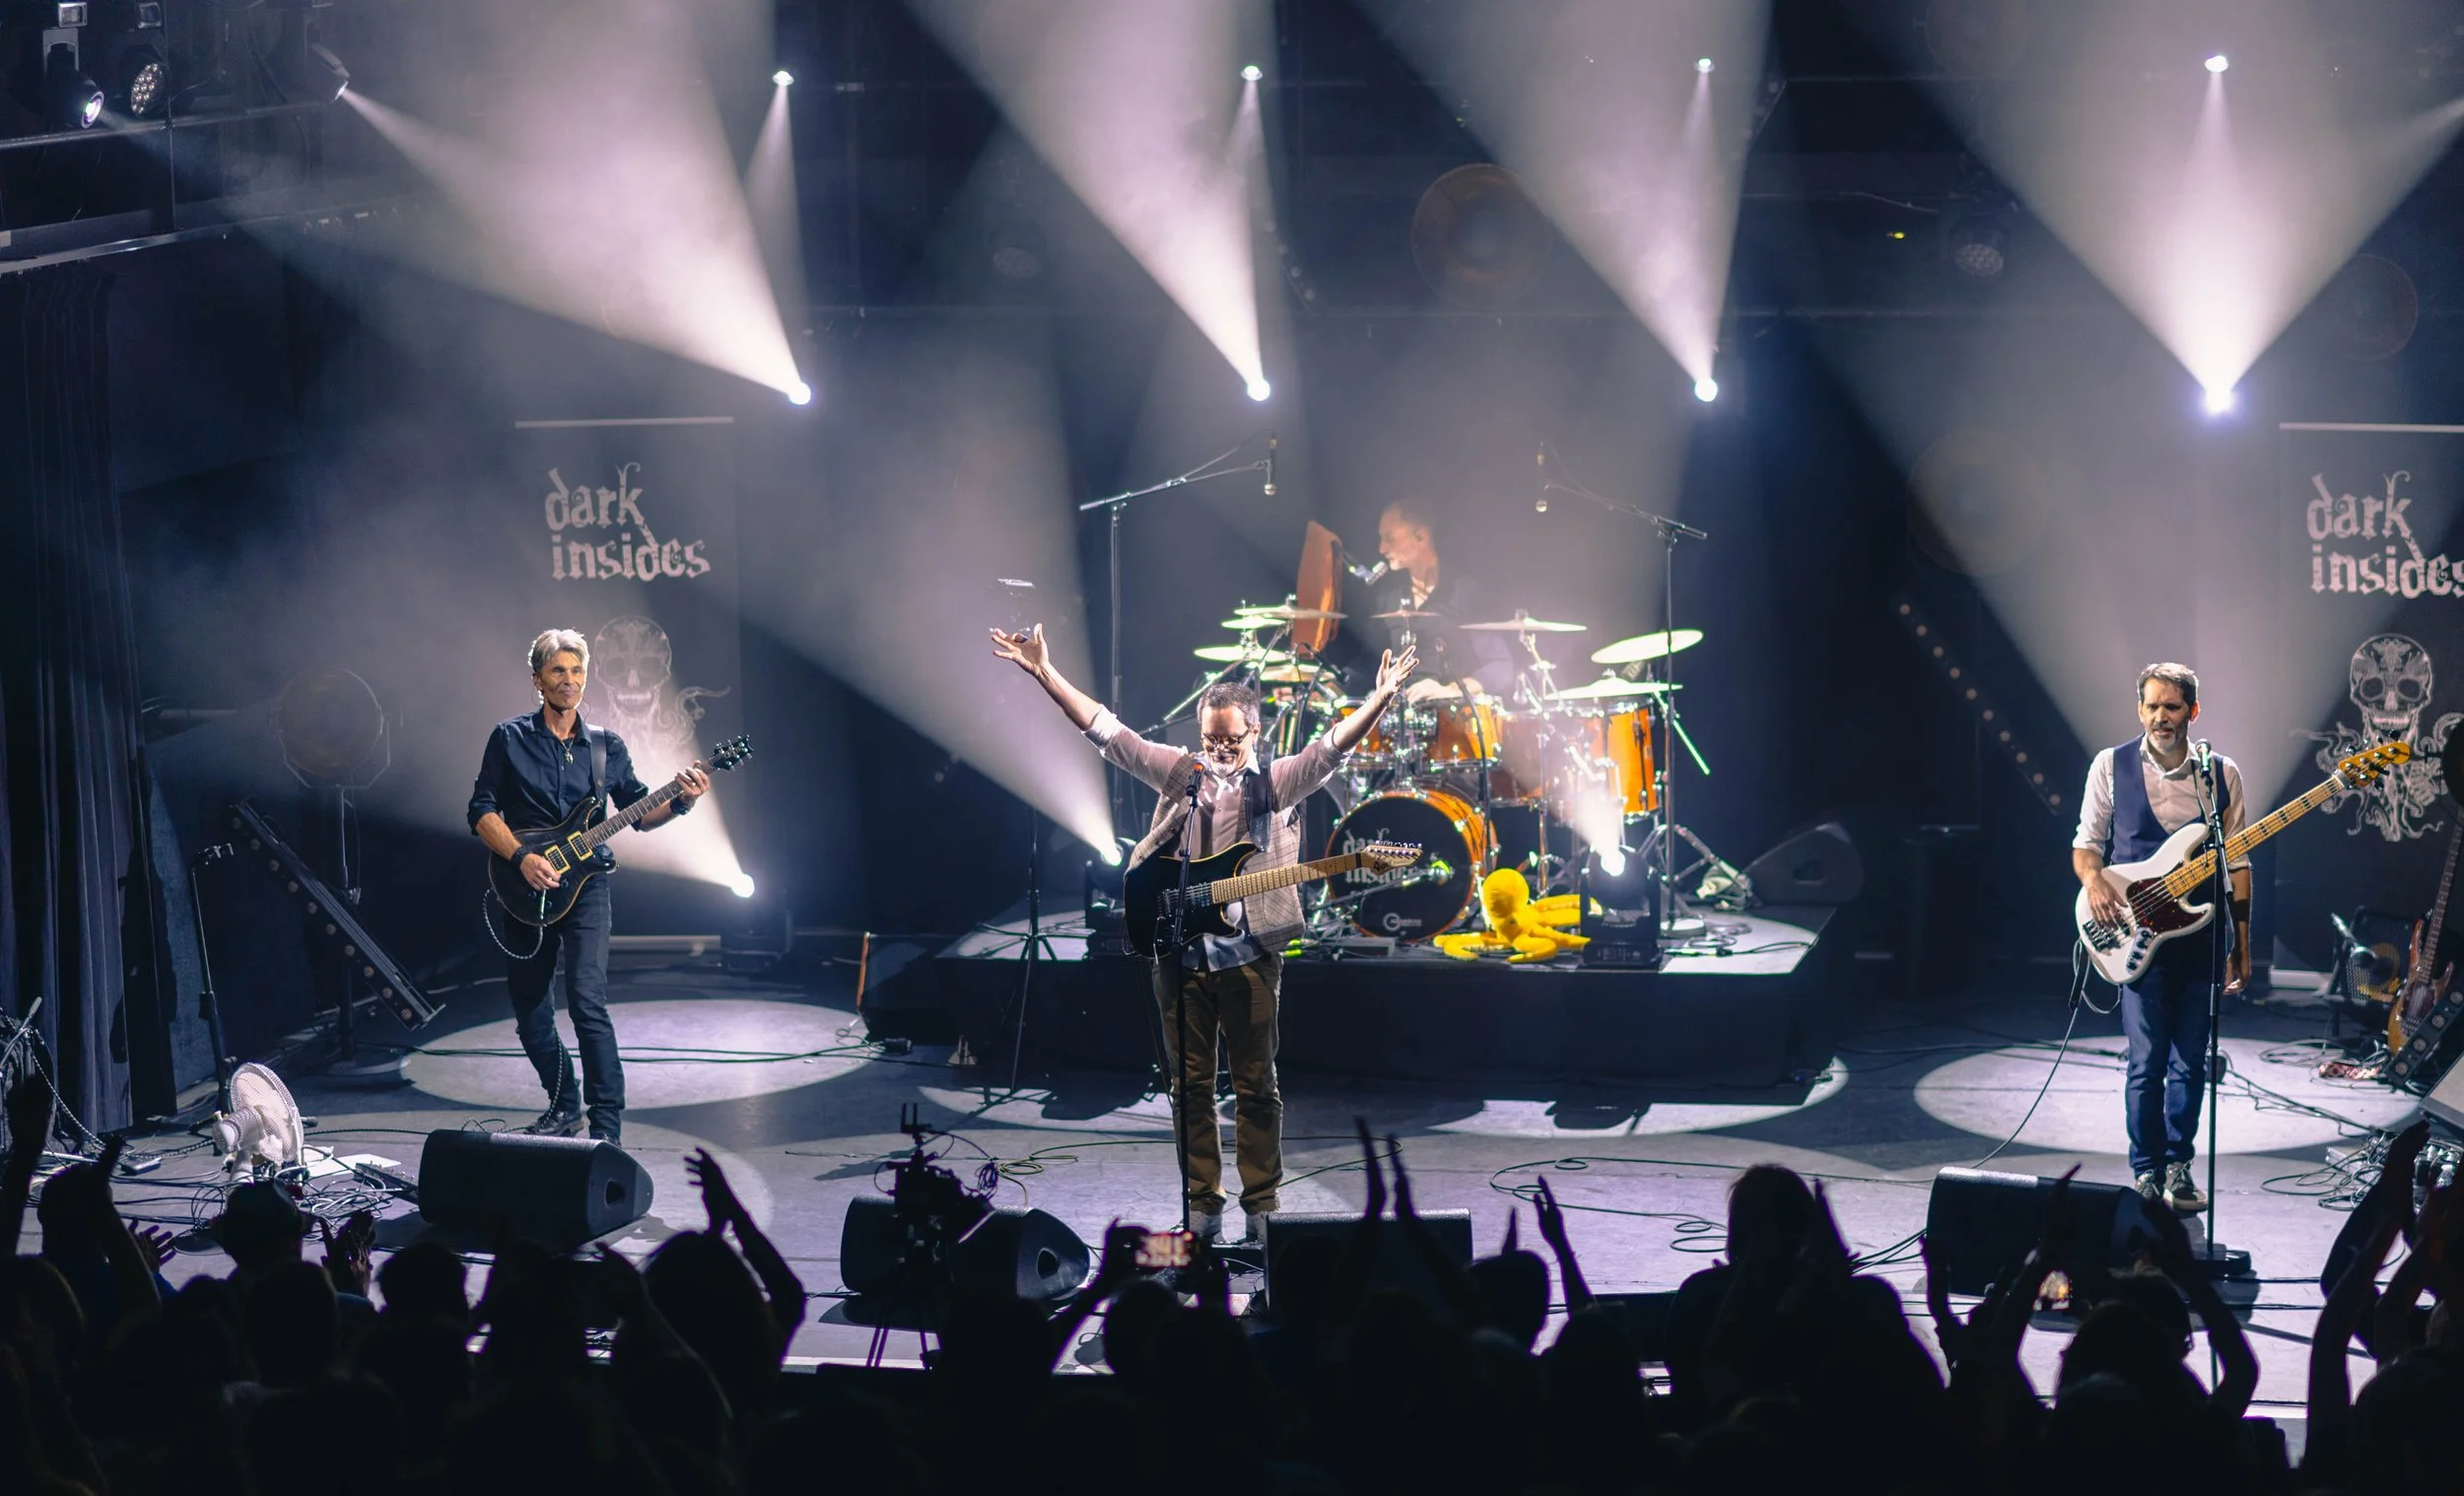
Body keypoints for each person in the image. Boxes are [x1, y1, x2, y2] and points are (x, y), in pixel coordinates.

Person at [992, 623, 1414, 1239]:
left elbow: (1331, 748)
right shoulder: (1179, 774)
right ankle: (1202, 1207)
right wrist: (1045, 673)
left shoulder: (1276, 783)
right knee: (1188, 1088)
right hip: (1178, 956)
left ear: (1255, 732)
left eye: (1229, 740)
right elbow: (1107, 732)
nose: (1218, 750)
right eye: (1210, 739)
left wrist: (1378, 700)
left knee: (1256, 1087)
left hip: (1248, 957)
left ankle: (1261, 1208)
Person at [468, 628, 711, 1143]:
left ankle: (607, 1127)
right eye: (558, 671)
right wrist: (522, 857)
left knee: (587, 1001)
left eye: (577, 671)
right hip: (524, 888)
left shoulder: (605, 746)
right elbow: (481, 811)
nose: (570, 680)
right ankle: (564, 1106)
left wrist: (682, 801)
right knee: (531, 1013)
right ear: (538, 679)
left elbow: (640, 814)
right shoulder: (509, 738)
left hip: (587, 890)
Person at [2072, 661, 2247, 1213]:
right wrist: (2094, 882)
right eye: (2152, 706)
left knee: (2191, 1061)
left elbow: (2238, 863)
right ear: (2139, 709)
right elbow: (2086, 844)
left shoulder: (2220, 774)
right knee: (2146, 1063)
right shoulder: (2111, 764)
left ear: (2193, 711)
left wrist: (2241, 943)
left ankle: (2179, 1167)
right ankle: (2145, 1171)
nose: (2160, 717)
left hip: (2199, 935)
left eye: (2172, 706)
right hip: (2136, 933)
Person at [1356, 501, 1514, 703]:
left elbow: (1501, 668)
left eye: (1389, 538)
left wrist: (1449, 689)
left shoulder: (1465, 593)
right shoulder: (1388, 596)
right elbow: (1366, 663)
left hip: (1453, 716)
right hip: (1402, 715)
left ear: (1420, 537)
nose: (1381, 548)